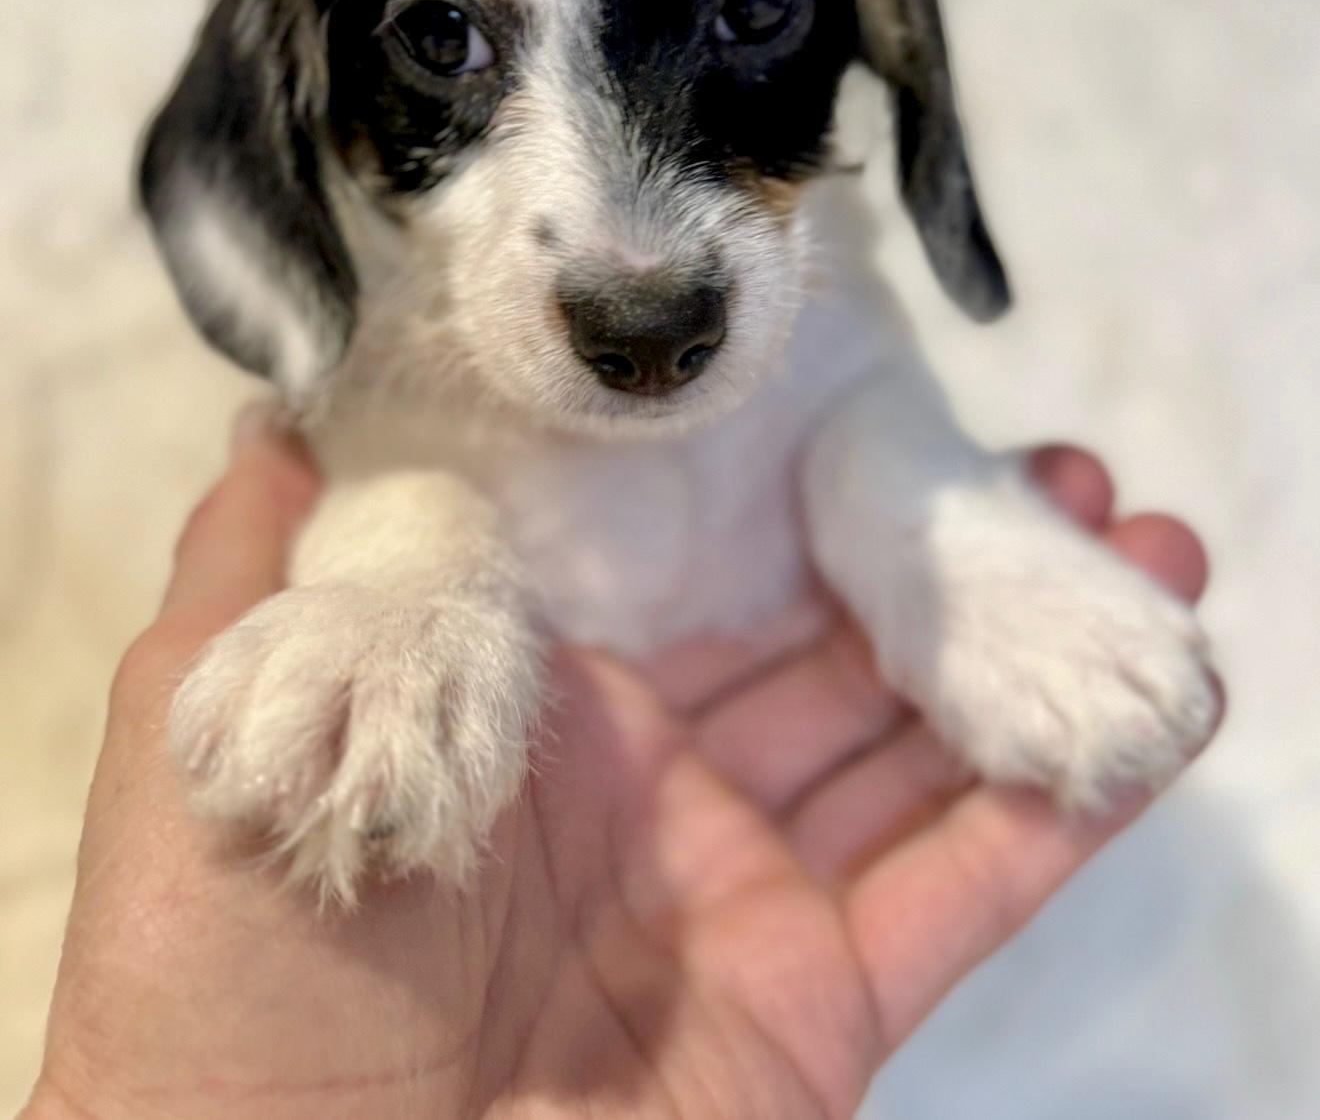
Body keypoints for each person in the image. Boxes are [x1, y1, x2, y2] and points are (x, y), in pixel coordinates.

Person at [23, 413, 1219, 1120]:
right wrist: (403, 568)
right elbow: (381, 441)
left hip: (767, 866)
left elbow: (856, 378)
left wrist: (936, 538)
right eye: (445, 40)